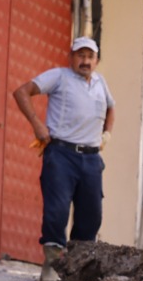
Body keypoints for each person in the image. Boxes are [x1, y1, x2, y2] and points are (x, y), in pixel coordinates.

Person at [13, 36, 115, 265]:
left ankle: (77, 266)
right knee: (57, 212)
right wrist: (37, 124)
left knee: (91, 216)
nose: (85, 61)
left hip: (91, 159)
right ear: (71, 57)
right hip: (61, 155)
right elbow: (22, 92)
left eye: (90, 57)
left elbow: (111, 108)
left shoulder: (100, 82)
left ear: (97, 60)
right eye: (81, 55)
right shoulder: (59, 76)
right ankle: (53, 264)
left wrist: (106, 135)